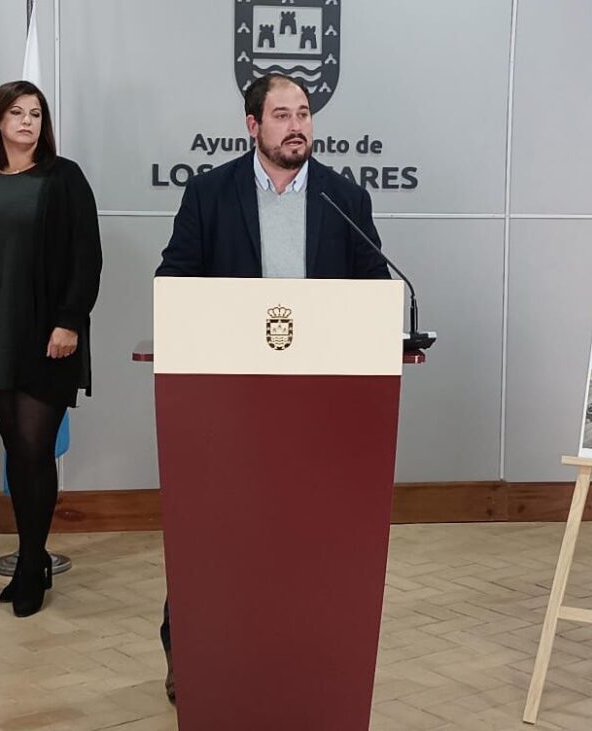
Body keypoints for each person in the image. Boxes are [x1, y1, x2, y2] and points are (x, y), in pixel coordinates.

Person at [153, 73, 391, 702]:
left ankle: (302, 647)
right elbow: (174, 280)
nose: (296, 126)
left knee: (308, 535)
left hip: (320, 405)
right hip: (230, 403)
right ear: (252, 125)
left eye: (304, 114)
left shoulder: (345, 197)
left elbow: (374, 288)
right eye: (282, 115)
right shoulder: (209, 194)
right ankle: (192, 650)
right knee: (214, 531)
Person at [0, 80, 102, 618]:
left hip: (45, 338)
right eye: (17, 112)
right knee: (17, 449)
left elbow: (86, 256)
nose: (28, 121)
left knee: (34, 451)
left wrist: (69, 321)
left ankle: (32, 563)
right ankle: (33, 558)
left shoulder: (63, 177)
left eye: (36, 113)